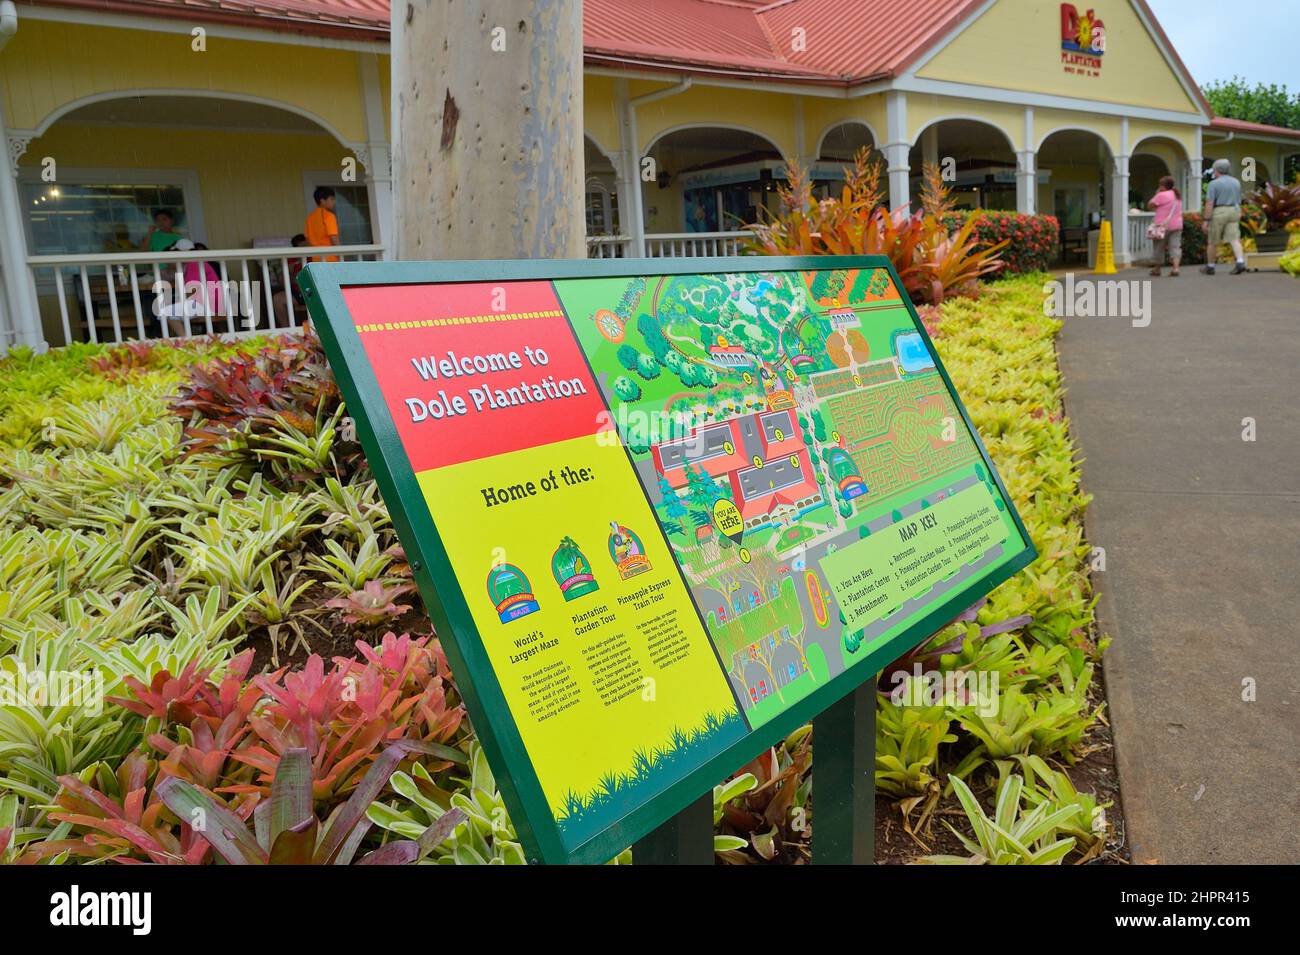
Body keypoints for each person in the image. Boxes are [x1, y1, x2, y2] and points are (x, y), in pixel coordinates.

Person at [1201, 158, 1246, 275]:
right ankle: (1240, 261)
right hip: (1234, 210)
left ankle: (1210, 266)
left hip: (1220, 211)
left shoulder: (1213, 184)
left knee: (1212, 240)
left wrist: (1206, 219)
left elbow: (1210, 202)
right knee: (1234, 238)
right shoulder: (1236, 182)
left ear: (1216, 170)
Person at [1146, 175, 1183, 277]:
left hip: (1162, 226)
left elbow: (1150, 205)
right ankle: (1175, 268)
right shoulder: (1177, 195)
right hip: (1177, 225)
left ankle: (1157, 269)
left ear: (1162, 186)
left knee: (1158, 247)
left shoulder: (1161, 195)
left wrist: (1157, 194)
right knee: (1175, 247)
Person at [272, 233, 310, 325]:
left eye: (305, 246)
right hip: (297, 293)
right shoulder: (291, 260)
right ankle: (286, 330)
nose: (304, 249)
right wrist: (289, 272)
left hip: (312, 292)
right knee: (277, 299)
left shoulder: (314, 257)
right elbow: (282, 282)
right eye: (300, 247)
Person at [304, 186, 341, 262]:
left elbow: (308, 240)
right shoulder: (329, 216)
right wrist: (341, 256)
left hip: (316, 259)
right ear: (322, 201)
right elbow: (333, 238)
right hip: (330, 258)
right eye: (331, 199)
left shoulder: (310, 218)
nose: (334, 202)